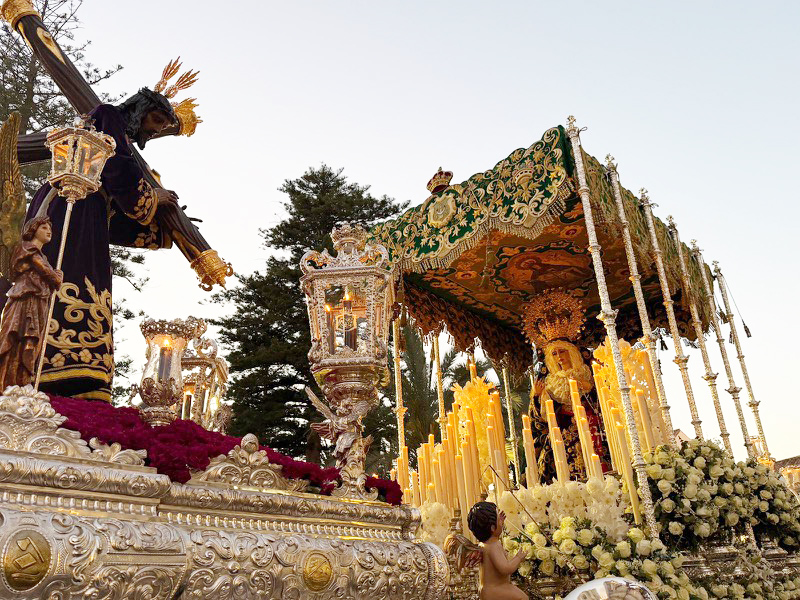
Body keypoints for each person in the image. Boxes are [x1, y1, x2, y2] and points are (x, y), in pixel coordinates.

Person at [23, 86, 183, 402]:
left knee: (88, 280)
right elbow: (120, 169)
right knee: (66, 272)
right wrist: (151, 197)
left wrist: (160, 230)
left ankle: (81, 369)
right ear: (140, 109)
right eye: (155, 120)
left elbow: (116, 219)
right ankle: (47, 360)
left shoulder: (111, 166)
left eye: (162, 127)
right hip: (70, 202)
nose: (154, 130)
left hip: (90, 212)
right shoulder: (108, 115)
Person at [0, 216, 62, 390]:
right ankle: (8, 382)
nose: (48, 231)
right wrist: (57, 276)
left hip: (38, 300)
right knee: (19, 336)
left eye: (49, 228)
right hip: (24, 299)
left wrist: (55, 277)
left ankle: (22, 380)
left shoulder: (42, 256)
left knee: (32, 341)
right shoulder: (27, 249)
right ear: (33, 229)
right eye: (43, 227)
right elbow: (49, 274)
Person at [467, 501, 526, 600]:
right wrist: (518, 558)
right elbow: (505, 569)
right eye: (499, 521)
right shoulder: (493, 546)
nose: (501, 524)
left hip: (487, 590)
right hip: (496, 590)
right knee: (522, 598)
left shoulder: (483, 544)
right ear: (493, 528)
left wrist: (498, 522)